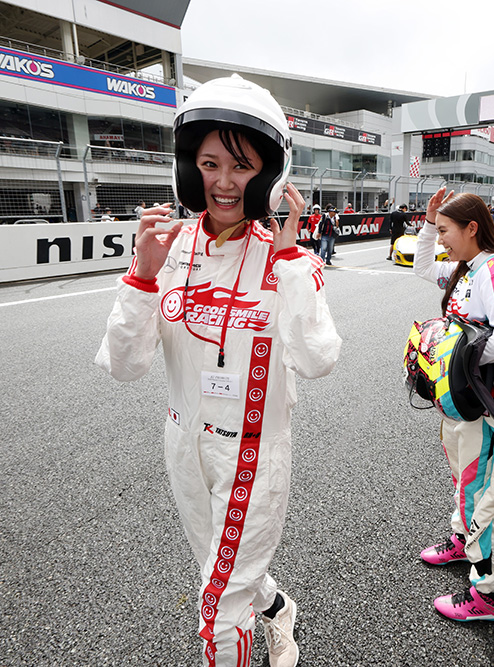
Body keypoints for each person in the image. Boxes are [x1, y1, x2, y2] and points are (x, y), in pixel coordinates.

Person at [95, 75, 341, 667]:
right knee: (220, 568)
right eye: (209, 164)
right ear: (188, 169)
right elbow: (125, 367)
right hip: (183, 443)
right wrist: (142, 276)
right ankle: (277, 607)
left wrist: (288, 259)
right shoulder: (167, 249)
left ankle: (254, 621)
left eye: (241, 166)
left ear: (269, 175)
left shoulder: (287, 259)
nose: (224, 182)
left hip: (253, 449)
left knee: (218, 609)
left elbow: (317, 360)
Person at [413, 187, 494, 622]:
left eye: (445, 231)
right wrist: (428, 224)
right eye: (438, 231)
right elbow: (422, 267)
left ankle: (489, 596)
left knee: (481, 495)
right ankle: (461, 540)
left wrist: (452, 356)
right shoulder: (467, 269)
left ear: (472, 228)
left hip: (493, 400)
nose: (441, 239)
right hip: (468, 396)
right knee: (465, 479)